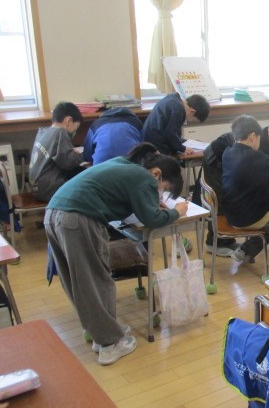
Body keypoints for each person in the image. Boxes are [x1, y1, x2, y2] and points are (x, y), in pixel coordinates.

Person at [45, 143, 189, 366]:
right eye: (163, 188)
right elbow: (153, 219)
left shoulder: (124, 164)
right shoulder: (144, 177)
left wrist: (150, 201)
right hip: (78, 219)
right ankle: (110, 344)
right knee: (97, 280)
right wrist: (176, 212)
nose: (159, 192)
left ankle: (101, 333)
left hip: (54, 214)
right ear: (156, 174)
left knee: (79, 281)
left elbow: (122, 196)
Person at [203, 117, 269, 257]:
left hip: (234, 210)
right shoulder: (253, 157)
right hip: (248, 215)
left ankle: (245, 252)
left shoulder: (228, 152)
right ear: (253, 137)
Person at [28, 102, 86, 202]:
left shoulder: (43, 131)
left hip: (36, 188)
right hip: (48, 190)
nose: (75, 132)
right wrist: (84, 155)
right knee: (86, 179)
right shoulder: (60, 132)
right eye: (76, 127)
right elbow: (68, 163)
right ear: (69, 120)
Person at [141, 93, 210, 156]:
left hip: (149, 140)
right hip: (156, 145)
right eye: (194, 119)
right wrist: (182, 148)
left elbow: (172, 131)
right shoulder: (178, 109)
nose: (191, 120)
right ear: (192, 112)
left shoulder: (173, 99)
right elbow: (170, 134)